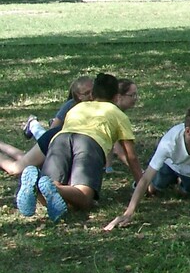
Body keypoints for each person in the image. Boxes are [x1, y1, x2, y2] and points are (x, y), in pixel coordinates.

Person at [16, 73, 144, 221]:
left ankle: (38, 186)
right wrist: (142, 183)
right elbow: (131, 156)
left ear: (93, 94)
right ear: (116, 97)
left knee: (59, 193)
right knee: (84, 197)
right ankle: (51, 187)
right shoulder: (118, 114)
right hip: (89, 143)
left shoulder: (77, 107)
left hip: (59, 140)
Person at [104, 106, 190, 229]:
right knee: (151, 190)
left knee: (184, 194)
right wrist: (128, 213)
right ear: (188, 131)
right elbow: (146, 178)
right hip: (171, 165)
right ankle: (171, 178)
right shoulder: (170, 142)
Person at [23, 75, 93, 139]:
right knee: (45, 141)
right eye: (87, 93)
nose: (92, 95)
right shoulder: (70, 106)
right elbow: (50, 133)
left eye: (93, 91)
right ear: (78, 95)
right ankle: (33, 124)